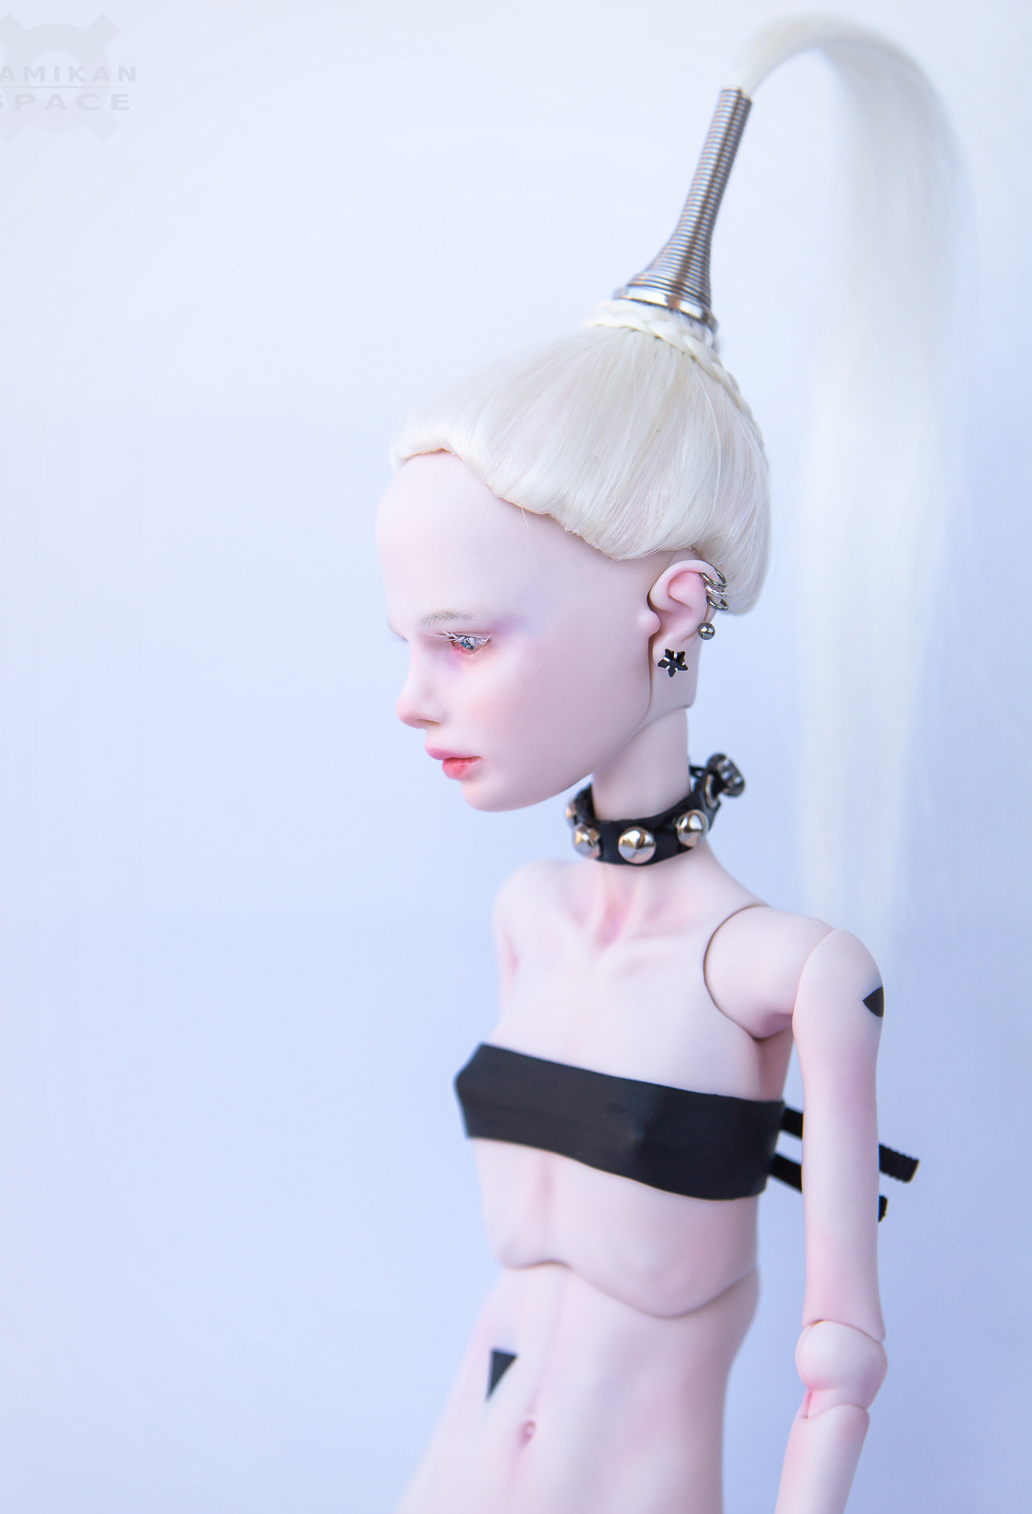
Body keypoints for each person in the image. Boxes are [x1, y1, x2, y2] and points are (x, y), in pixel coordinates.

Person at [376, 17, 956, 1513]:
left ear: (676, 607)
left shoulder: (791, 972)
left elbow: (841, 1359)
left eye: (465, 639)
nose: (415, 701)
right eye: (410, 643)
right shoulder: (528, 918)